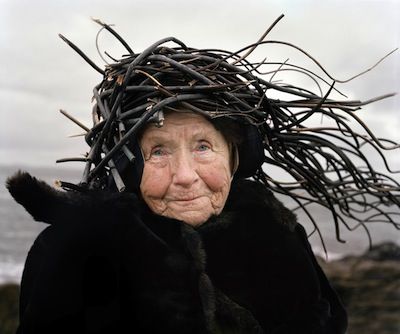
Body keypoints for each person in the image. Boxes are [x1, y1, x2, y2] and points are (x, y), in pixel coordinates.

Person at [6, 18, 400, 334]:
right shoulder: (74, 251)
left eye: (203, 146)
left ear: (233, 156)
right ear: (129, 165)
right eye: (158, 151)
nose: (185, 176)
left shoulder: (275, 229)